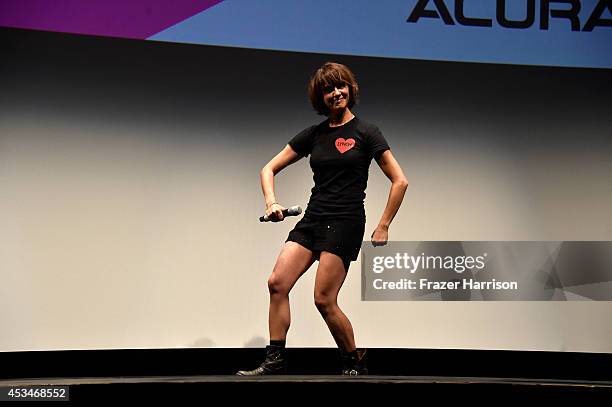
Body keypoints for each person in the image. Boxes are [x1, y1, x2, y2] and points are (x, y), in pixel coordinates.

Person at [237, 62, 408, 376]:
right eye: (328, 89)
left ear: (350, 89)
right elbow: (268, 169)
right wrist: (271, 202)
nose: (335, 93)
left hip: (345, 221)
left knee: (324, 299)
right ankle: (275, 359)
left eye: (340, 86)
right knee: (277, 283)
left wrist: (383, 224)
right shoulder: (314, 135)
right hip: (314, 219)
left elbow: (400, 180)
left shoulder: (366, 132)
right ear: (321, 97)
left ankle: (353, 360)